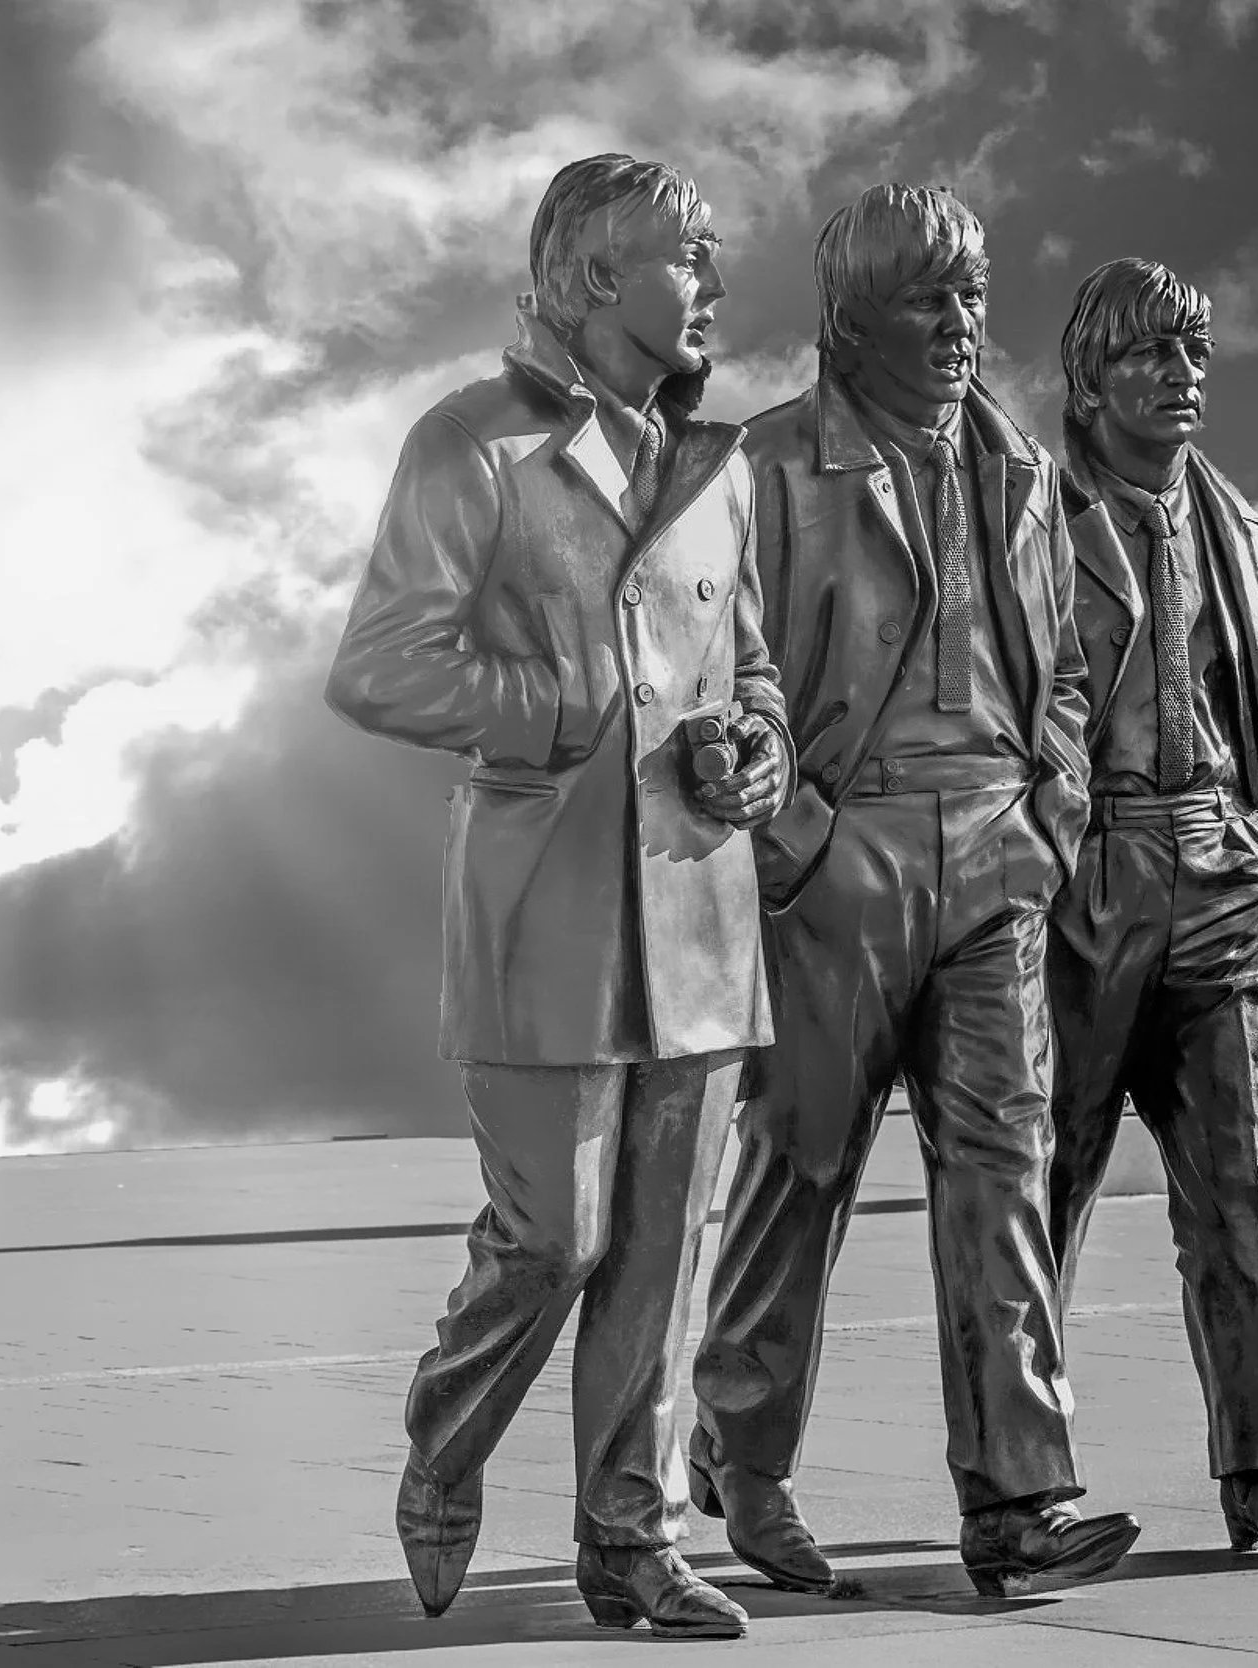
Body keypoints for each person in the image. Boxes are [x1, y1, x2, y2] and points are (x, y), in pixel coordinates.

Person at [325, 153, 791, 1637]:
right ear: (596, 279)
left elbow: (753, 669)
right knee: (554, 1238)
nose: (714, 284)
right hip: (549, 913)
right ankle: (445, 1448)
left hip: (703, 918)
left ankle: (631, 1543)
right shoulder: (470, 446)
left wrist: (762, 752)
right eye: (690, 257)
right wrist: (556, 704)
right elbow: (381, 665)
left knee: (667, 1252)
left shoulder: (721, 471)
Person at [686, 183, 1141, 1601]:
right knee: (801, 1170)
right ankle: (743, 1457)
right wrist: (800, 845)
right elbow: (710, 680)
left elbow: (1066, 667)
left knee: (1003, 1177)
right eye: (931, 300)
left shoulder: (1017, 466)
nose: (964, 325)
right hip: (843, 859)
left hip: (995, 854)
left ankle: (1017, 1502)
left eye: (974, 295)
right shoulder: (762, 468)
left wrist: (1050, 808)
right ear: (855, 318)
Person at [1041, 257, 1258, 1560]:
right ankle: (1018, 1492)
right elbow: (1015, 711)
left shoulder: (1241, 528)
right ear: (1090, 376)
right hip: (1084, 904)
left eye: (1193, 356)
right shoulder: (1036, 518)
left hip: (1221, 903)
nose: (1179, 380)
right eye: (1149, 356)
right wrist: (1086, 833)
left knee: (1239, 1211)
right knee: (1034, 1212)